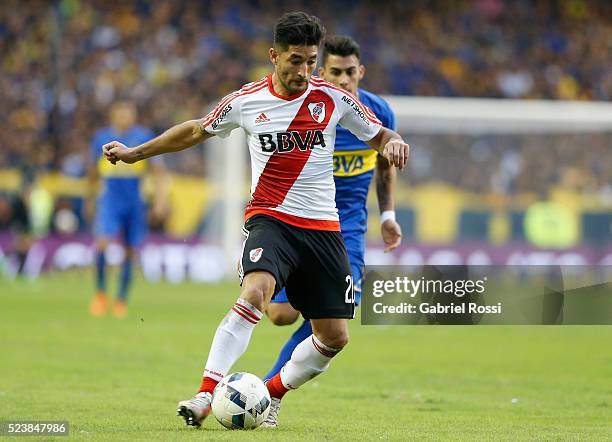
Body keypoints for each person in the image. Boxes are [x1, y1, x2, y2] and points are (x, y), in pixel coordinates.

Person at [103, 12, 409, 428]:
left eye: (310, 61)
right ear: (273, 56)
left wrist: (395, 143)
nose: (304, 71)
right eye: (295, 61)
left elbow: (380, 134)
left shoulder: (334, 99)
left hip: (323, 229)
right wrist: (135, 153)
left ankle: (270, 393)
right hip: (271, 221)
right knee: (255, 294)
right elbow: (194, 131)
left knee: (335, 337)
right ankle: (205, 394)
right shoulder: (246, 101)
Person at [263, 35, 402, 380]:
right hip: (302, 220)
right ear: (321, 71)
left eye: (350, 72)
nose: (343, 80)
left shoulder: (379, 112)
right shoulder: (308, 108)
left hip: (349, 229)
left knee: (331, 316)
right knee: (281, 314)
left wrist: (387, 216)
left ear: (361, 71)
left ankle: (268, 388)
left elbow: (385, 166)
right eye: (336, 72)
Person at [88, 101, 168, 318]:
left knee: (130, 251)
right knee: (103, 244)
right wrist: (90, 199)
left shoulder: (143, 136)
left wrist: (160, 200)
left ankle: (121, 299)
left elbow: (158, 171)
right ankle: (101, 295)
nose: (125, 117)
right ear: (113, 115)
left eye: (128, 113)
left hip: (135, 202)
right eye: (121, 113)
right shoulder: (100, 138)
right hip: (110, 201)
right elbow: (93, 173)